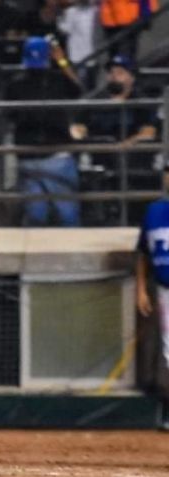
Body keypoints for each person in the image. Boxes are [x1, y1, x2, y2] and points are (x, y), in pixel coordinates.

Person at [5, 36, 82, 227]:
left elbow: (77, 90)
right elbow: (78, 88)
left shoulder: (52, 82)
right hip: (38, 158)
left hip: (48, 157)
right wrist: (62, 61)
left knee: (54, 216)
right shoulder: (17, 85)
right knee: (48, 216)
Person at [135, 166, 169, 430]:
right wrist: (140, 289)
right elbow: (143, 253)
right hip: (164, 288)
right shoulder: (155, 211)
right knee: (168, 352)